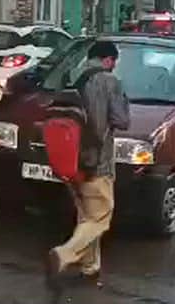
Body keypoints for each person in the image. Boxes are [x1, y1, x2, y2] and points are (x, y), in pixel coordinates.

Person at [46, 41, 130, 289]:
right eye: (114, 62)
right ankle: (64, 253)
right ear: (108, 60)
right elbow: (121, 120)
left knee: (87, 216)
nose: (114, 67)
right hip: (97, 161)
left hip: (71, 160)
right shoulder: (108, 81)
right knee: (101, 218)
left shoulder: (75, 78)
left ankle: (90, 266)